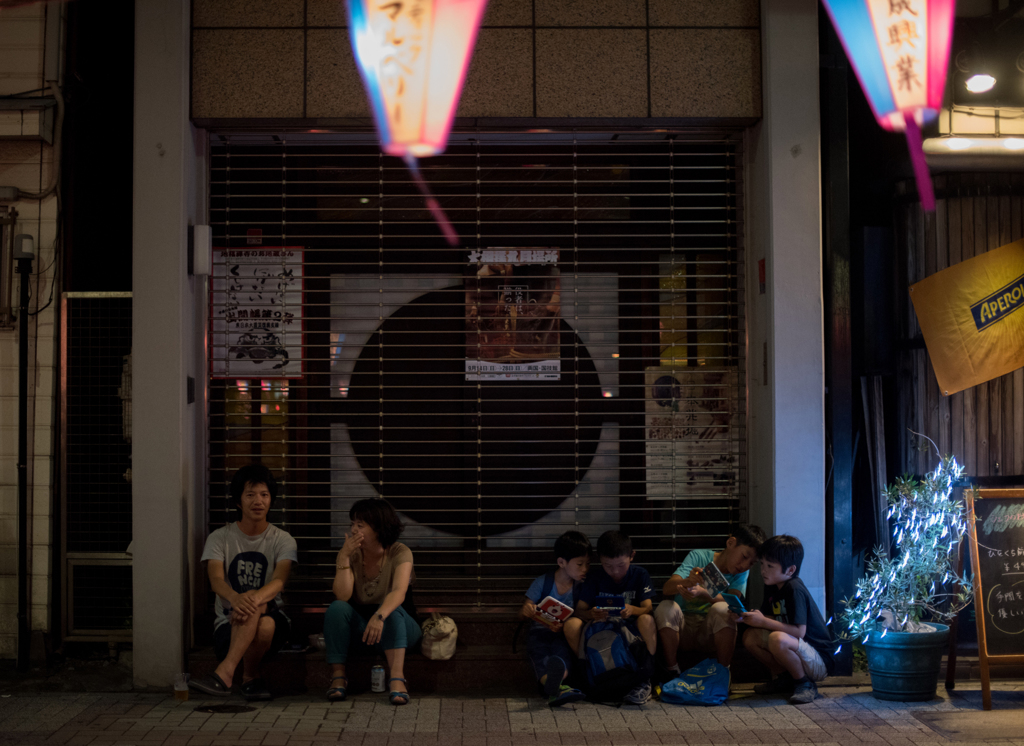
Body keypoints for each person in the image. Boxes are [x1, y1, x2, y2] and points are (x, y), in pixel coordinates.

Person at [190, 464, 297, 701]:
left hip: (274, 623)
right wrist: (236, 599)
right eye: (250, 495)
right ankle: (251, 678)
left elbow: (279, 580)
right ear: (239, 501)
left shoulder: (284, 540)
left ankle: (225, 673)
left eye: (264, 495)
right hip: (228, 625)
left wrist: (252, 600)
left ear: (271, 500)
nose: (258, 501)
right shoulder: (219, 537)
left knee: (263, 613)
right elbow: (216, 580)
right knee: (261, 620)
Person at [324, 498, 421, 705]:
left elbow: (399, 592)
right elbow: (342, 595)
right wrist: (343, 558)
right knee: (337, 608)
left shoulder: (399, 552)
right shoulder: (353, 555)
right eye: (352, 524)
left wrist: (379, 616)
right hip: (365, 629)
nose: (354, 530)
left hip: (400, 626)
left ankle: (397, 679)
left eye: (360, 525)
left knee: (392, 611)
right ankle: (338, 678)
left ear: (378, 527)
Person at [654, 524, 765, 675]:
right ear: (731, 543)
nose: (745, 565)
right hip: (682, 627)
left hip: (709, 632)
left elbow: (732, 600)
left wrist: (704, 593)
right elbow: (667, 588)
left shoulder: (741, 573)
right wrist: (688, 582)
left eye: (752, 563)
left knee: (723, 609)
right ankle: (671, 670)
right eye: (744, 557)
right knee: (665, 607)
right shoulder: (698, 557)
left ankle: (723, 673)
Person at [738, 534, 835, 705]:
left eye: (770, 566)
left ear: (790, 570)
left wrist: (763, 622)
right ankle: (785, 679)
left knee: (777, 638)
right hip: (797, 651)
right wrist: (745, 617)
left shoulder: (794, 588)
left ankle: (804, 683)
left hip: (817, 658)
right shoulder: (772, 585)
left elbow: (799, 631)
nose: (763, 570)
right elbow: (768, 617)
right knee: (750, 636)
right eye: (762, 564)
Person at [563, 530, 657, 705]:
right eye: (608, 565)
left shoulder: (639, 574)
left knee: (647, 620)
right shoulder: (595, 577)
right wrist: (591, 614)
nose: (615, 571)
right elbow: (579, 610)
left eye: (621, 565)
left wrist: (632, 610)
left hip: (630, 634)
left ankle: (645, 676)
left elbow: (648, 609)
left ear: (632, 556)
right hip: (602, 632)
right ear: (600, 559)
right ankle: (590, 672)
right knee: (571, 624)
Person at [519, 530, 591, 706]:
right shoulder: (543, 582)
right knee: (540, 655)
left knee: (562, 656)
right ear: (561, 562)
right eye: (580, 564)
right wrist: (528, 610)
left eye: (587, 564)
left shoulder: (581, 587)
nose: (584, 569)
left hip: (562, 635)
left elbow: (581, 614)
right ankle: (558, 688)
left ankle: (554, 687)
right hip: (539, 632)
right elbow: (524, 610)